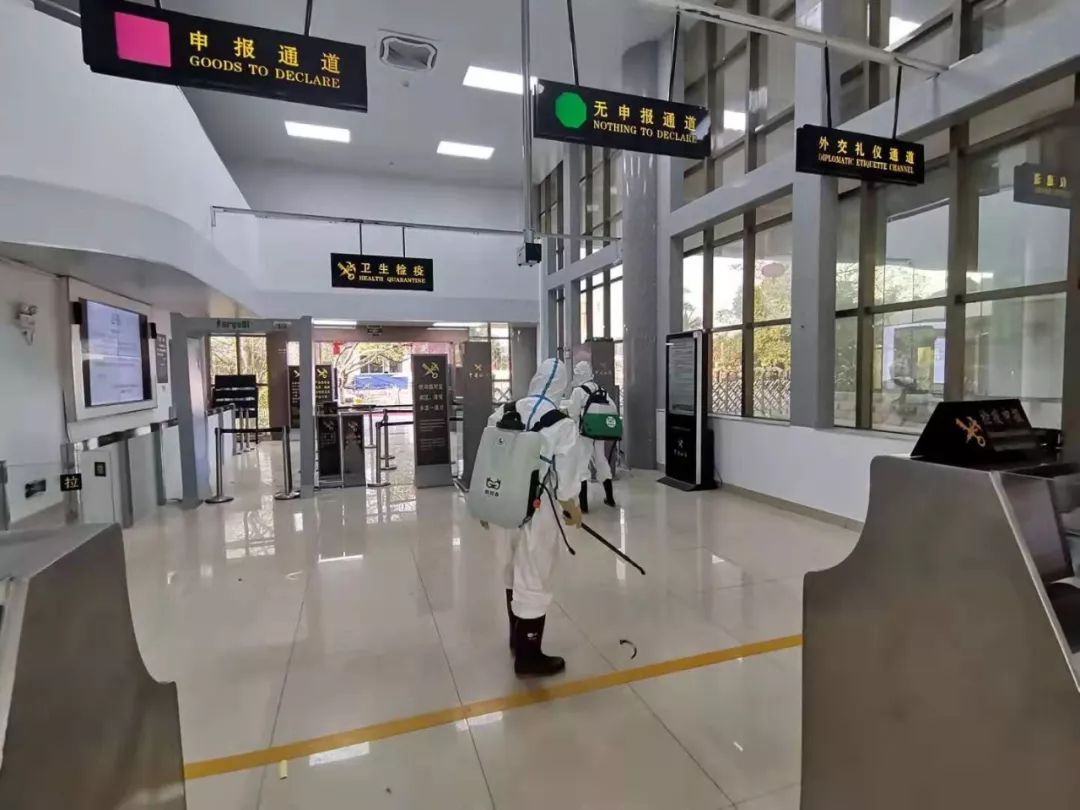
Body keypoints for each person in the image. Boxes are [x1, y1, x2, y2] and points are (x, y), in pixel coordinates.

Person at [489, 358, 581, 677]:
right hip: (537, 511)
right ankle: (528, 658)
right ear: (562, 387)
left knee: (509, 567)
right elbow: (566, 480)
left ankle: (516, 638)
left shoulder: (504, 411)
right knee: (533, 574)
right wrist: (571, 508)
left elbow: (486, 458)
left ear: (535, 379)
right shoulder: (562, 424)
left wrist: (485, 504)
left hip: (500, 505)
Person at [563, 361, 616, 512]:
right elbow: (612, 408)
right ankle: (610, 498)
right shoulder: (601, 389)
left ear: (579, 374)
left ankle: (584, 506)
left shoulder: (578, 391)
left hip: (584, 432)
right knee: (601, 460)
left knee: (582, 464)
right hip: (599, 431)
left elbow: (573, 413)